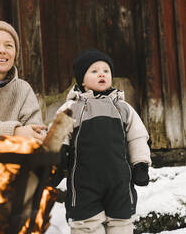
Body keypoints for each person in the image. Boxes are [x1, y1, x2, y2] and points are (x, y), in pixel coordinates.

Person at [57, 49, 151, 234]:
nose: (101, 74)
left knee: (121, 222)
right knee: (86, 224)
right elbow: (57, 136)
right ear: (82, 80)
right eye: (94, 71)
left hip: (119, 181)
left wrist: (140, 164)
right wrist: (57, 157)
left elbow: (138, 137)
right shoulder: (72, 107)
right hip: (84, 182)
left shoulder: (123, 108)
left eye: (106, 70)